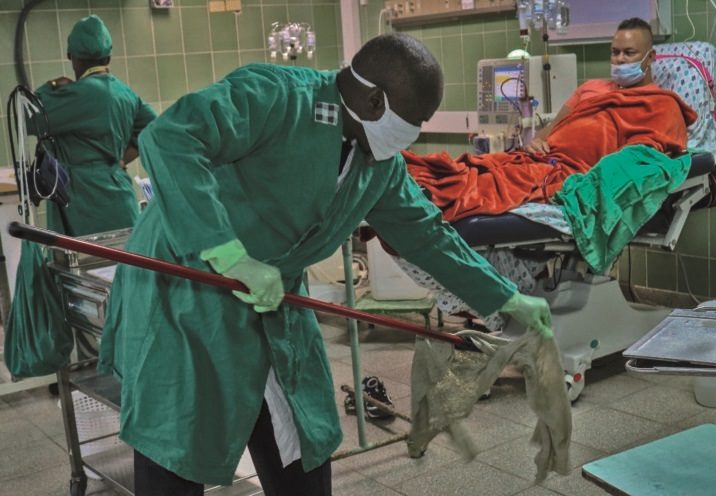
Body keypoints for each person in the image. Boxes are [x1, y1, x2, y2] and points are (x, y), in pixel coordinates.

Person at [98, 33, 553, 495]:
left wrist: (506, 298)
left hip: (274, 296)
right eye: (413, 121)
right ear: (374, 101)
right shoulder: (275, 96)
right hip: (185, 288)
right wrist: (229, 255)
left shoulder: (379, 164)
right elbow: (170, 137)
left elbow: (427, 235)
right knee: (178, 440)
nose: (414, 133)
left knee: (303, 438)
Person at [33, 14, 156, 236]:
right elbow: (153, 126)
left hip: (85, 200)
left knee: (86, 258)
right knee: (123, 256)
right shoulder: (124, 92)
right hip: (119, 195)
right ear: (108, 58)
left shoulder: (75, 95)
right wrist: (120, 160)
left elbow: (31, 118)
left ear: (71, 57)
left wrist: (51, 85)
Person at [525, 17, 657, 154]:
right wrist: (536, 143)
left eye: (629, 53)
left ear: (650, 57)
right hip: (553, 158)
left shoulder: (658, 102)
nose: (619, 59)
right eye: (615, 52)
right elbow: (551, 129)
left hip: (593, 164)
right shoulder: (590, 87)